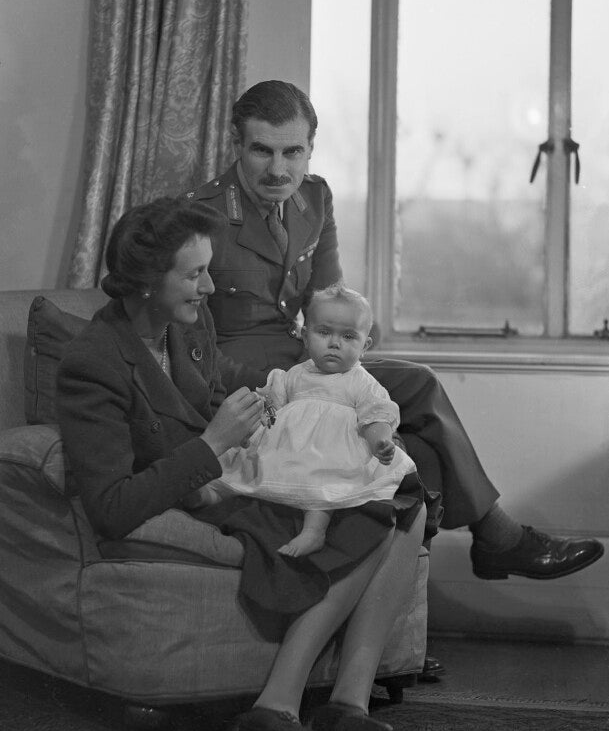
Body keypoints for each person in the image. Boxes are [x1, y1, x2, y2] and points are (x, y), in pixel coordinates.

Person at [183, 81, 603, 590]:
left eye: (292, 151)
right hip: (254, 381)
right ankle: (497, 535)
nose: (278, 169)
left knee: (420, 436)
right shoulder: (199, 215)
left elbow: (328, 298)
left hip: (315, 356)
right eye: (261, 151)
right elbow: (192, 347)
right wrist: (296, 384)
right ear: (235, 144)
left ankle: (439, 575)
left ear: (310, 147)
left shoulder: (313, 197)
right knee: (419, 394)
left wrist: (353, 344)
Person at [56, 196, 428, 731]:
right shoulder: (94, 362)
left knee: (404, 493)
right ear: (148, 281)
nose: (209, 288)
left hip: (237, 470)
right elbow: (110, 505)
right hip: (196, 491)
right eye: (195, 275)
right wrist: (213, 445)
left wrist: (296, 431)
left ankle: (348, 703)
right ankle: (278, 703)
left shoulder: (189, 324)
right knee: (379, 510)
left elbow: (212, 402)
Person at [200, 283, 419, 557]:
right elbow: (271, 407)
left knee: (322, 481)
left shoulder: (361, 382)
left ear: (365, 346)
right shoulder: (293, 375)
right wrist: (254, 426)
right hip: (288, 447)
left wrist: (380, 443)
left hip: (332, 454)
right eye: (324, 333)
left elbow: (375, 415)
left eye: (348, 336)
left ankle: (314, 530)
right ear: (305, 336)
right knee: (246, 463)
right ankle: (214, 493)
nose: (335, 343)